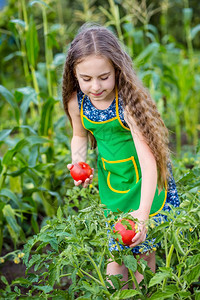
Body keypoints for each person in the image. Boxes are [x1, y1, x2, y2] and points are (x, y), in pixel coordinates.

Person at [62, 24, 179, 288]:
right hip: (113, 184)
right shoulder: (76, 101)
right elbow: (80, 135)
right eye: (86, 78)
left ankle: (144, 292)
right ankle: (118, 294)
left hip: (144, 185)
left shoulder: (126, 105)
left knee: (144, 251)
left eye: (104, 77)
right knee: (115, 253)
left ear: (117, 70)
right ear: (74, 75)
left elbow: (150, 164)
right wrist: (79, 163)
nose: (95, 86)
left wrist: (143, 214)